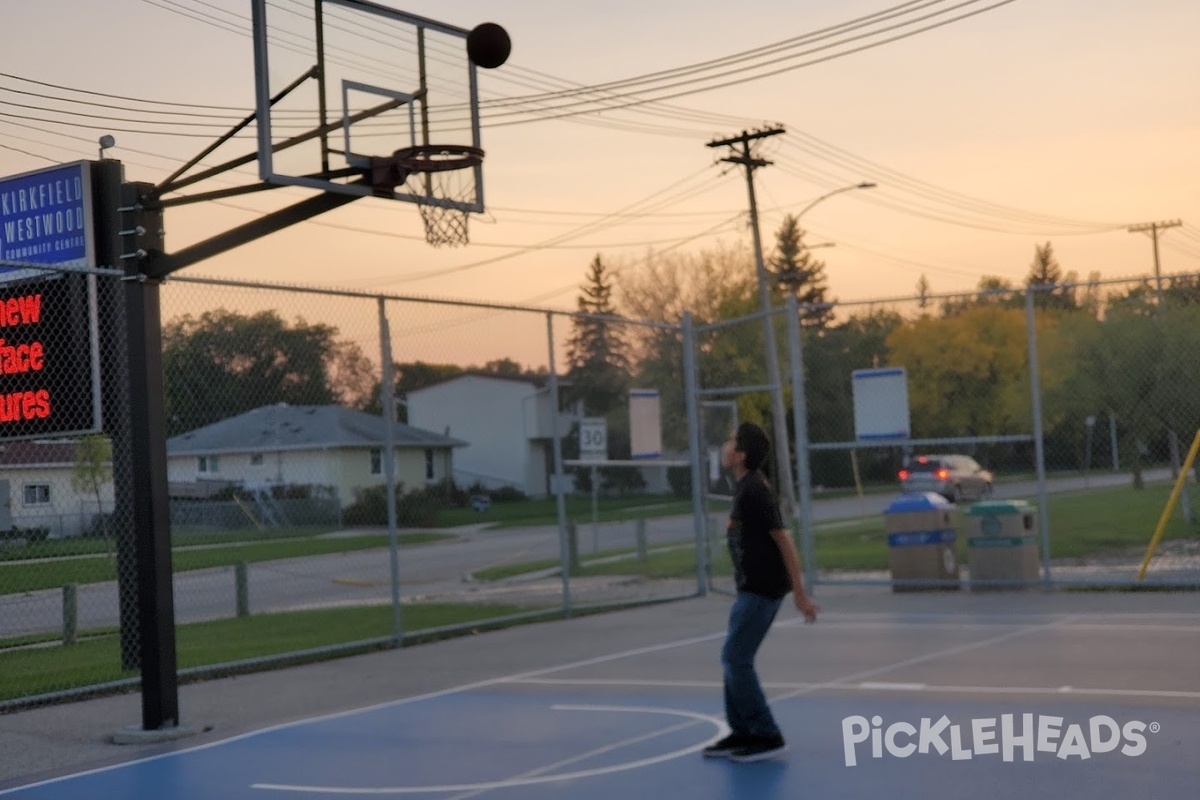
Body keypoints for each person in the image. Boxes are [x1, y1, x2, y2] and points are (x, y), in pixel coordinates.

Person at [703, 421, 818, 763]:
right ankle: (741, 731)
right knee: (733, 658)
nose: (725, 446)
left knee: (736, 659)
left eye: (730, 441)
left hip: (762, 591)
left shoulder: (755, 491)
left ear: (741, 454)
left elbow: (783, 539)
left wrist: (799, 592)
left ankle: (767, 734)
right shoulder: (744, 487)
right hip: (749, 590)